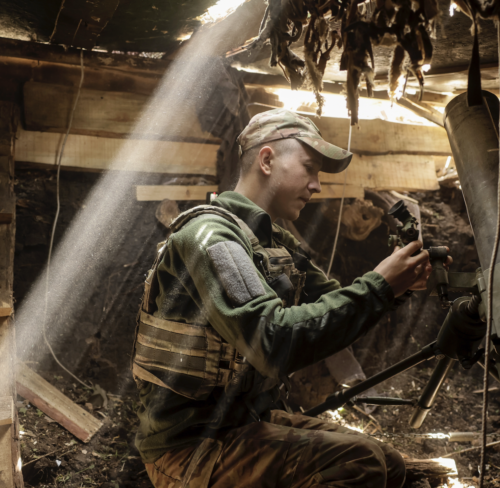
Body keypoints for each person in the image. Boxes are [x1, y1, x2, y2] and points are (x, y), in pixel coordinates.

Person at [133, 108, 446, 488]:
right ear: (267, 160)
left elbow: (335, 305)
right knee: (360, 463)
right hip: (191, 447)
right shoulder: (210, 237)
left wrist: (394, 288)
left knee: (391, 463)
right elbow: (271, 342)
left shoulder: (271, 241)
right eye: (310, 168)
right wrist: (379, 286)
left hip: (244, 421)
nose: (317, 185)